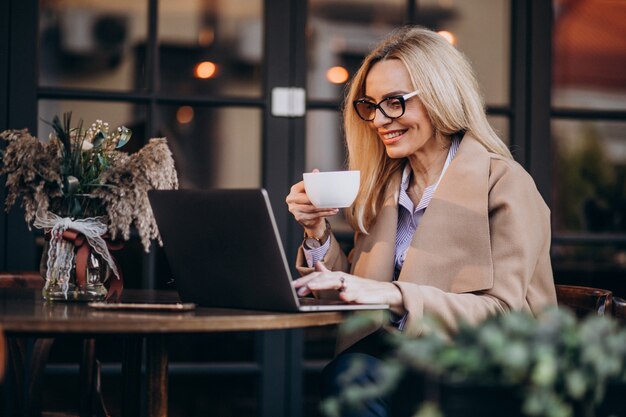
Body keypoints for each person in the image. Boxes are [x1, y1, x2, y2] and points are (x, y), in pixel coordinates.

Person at [286, 26, 556, 416]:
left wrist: (398, 295)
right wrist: (316, 233)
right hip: (397, 363)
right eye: (371, 105)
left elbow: (505, 317)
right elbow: (357, 290)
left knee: (352, 378)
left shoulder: (505, 183)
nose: (379, 119)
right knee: (350, 377)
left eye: (395, 102)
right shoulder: (387, 188)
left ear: (440, 96)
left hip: (480, 374)